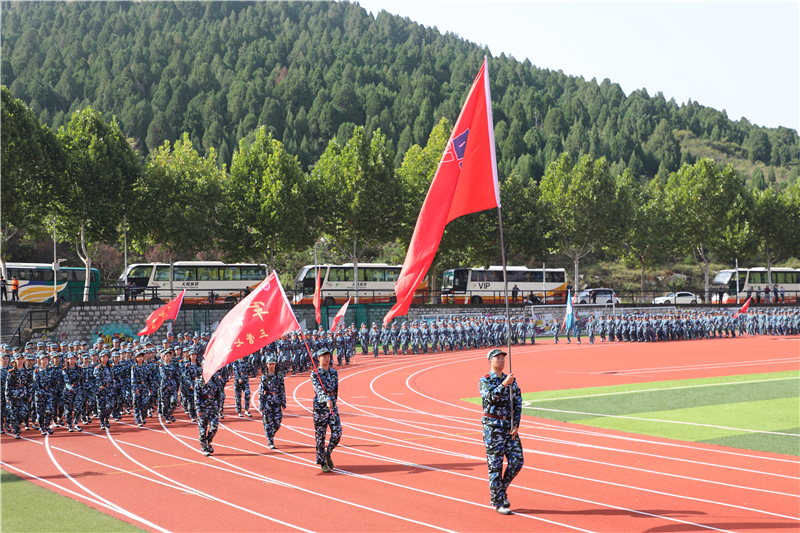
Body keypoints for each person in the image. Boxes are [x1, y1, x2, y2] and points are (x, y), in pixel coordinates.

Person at [480, 349, 523, 515]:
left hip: (508, 427)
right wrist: (504, 383)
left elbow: (518, 403)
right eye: (497, 357)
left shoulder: (511, 381)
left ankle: (501, 489)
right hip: (493, 428)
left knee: (517, 461)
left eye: (503, 357)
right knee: (495, 467)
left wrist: (516, 424)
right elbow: (490, 398)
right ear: (490, 361)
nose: (501, 360)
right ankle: (498, 502)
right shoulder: (485, 380)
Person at [310, 349, 340, 473]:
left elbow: (336, 389)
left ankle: (328, 453)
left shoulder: (334, 372)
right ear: (319, 359)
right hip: (320, 408)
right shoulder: (315, 373)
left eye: (328, 356)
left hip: (332, 407)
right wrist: (326, 399)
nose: (327, 359)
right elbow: (318, 389)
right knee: (320, 437)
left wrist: (333, 401)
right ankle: (322, 462)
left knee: (337, 433)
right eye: (324, 357)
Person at [259, 354, 286, 449]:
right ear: (267, 364)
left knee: (278, 422)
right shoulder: (264, 377)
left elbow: (282, 389)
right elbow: (261, 391)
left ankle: (271, 434)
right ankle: (270, 440)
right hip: (268, 400)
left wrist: (283, 402)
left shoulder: (279, 376)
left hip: (277, 400)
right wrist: (261, 404)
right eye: (270, 364)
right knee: (268, 421)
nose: (271, 366)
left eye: (273, 364)